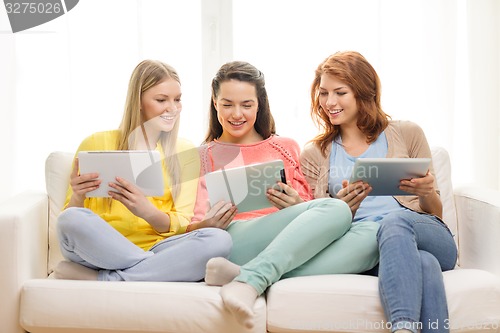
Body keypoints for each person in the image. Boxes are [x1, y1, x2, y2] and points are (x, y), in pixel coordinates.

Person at [188, 60, 380, 329]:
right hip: (237, 237)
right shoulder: (201, 155)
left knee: (372, 236)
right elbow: (190, 226)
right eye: (227, 104)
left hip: (288, 240)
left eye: (247, 104)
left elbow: (313, 215)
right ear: (214, 102)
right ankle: (252, 274)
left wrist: (296, 204)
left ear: (260, 104)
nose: (236, 114)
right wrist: (208, 223)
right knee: (337, 209)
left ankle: (247, 275)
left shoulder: (285, 147)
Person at [300, 51, 457, 333]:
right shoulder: (315, 153)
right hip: (370, 250)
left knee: (395, 222)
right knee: (424, 264)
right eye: (323, 93)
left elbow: (435, 212)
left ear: (364, 92)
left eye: (340, 92)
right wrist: (343, 208)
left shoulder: (407, 133)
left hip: (426, 232)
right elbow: (318, 227)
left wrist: (427, 191)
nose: (329, 102)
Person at [54, 60, 232, 282]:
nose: (173, 108)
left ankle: (108, 278)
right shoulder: (95, 142)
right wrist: (79, 194)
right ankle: (150, 269)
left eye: (177, 99)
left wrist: (145, 210)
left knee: (218, 240)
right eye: (161, 100)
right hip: (99, 248)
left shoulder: (185, 151)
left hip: (158, 247)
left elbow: (183, 223)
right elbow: (69, 217)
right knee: (70, 219)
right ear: (138, 100)